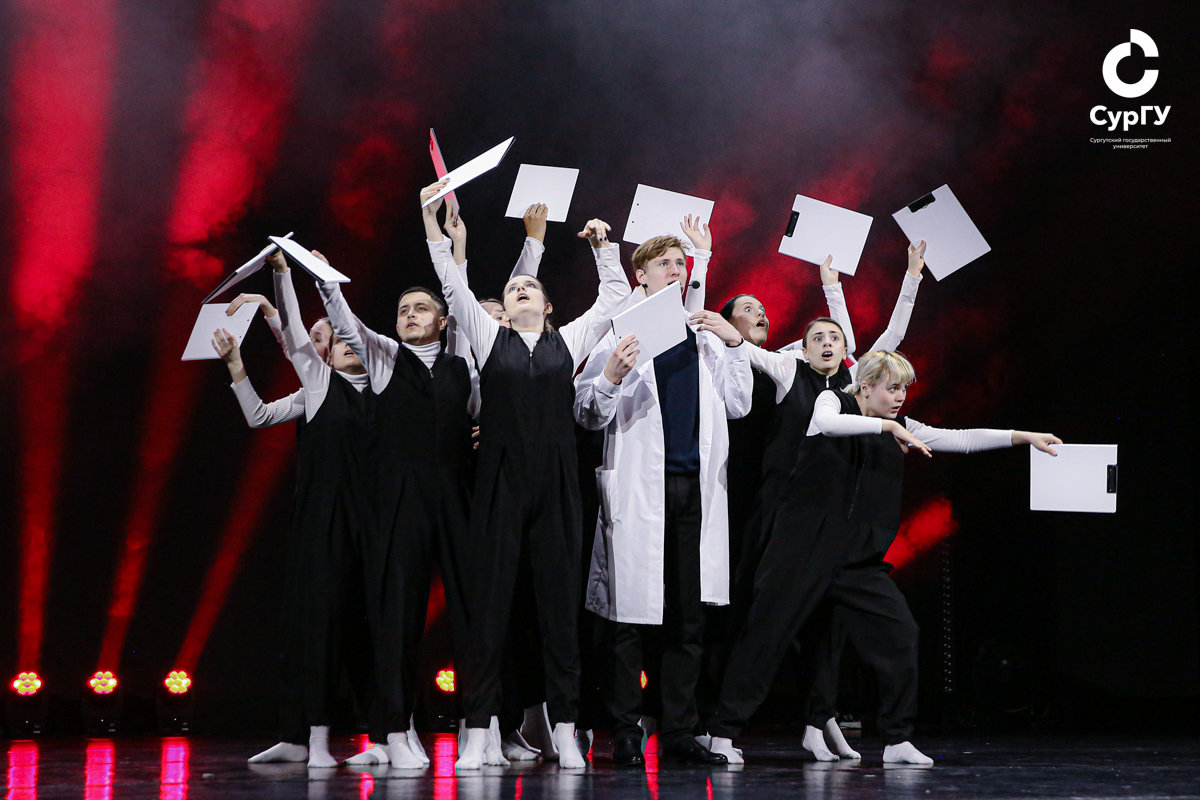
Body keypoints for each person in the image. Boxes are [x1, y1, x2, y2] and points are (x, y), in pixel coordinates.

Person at [707, 350, 1061, 766]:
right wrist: (886, 426)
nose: (900, 398)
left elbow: (962, 439)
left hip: (857, 562)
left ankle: (897, 740)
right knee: (765, 639)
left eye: (903, 390)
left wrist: (1023, 437)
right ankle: (723, 734)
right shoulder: (833, 401)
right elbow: (828, 424)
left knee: (900, 633)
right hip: (801, 554)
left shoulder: (902, 426)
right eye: (892, 389)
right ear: (866, 386)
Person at [419, 179, 632, 770]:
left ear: (547, 305)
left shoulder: (570, 341)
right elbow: (452, 284)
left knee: (559, 609)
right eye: (514, 288)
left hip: (557, 487)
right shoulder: (489, 337)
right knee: (489, 608)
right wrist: (432, 223)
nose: (519, 289)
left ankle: (565, 728)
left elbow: (614, 297)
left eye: (529, 286)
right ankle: (479, 730)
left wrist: (602, 247)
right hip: (500, 484)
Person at [574, 224, 753, 767]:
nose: (676, 271)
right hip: (639, 494)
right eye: (664, 264)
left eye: (682, 264)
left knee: (688, 618)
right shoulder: (619, 334)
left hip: (696, 493)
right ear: (642, 276)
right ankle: (626, 730)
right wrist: (610, 376)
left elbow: (739, 405)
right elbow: (586, 412)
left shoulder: (705, 335)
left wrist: (735, 343)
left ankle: (679, 731)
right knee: (628, 617)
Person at [218, 253, 374, 768]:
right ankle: (303, 737)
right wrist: (281, 278)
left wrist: (278, 292)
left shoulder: (385, 391)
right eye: (331, 339)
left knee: (366, 629)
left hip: (369, 524)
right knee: (310, 626)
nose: (339, 343)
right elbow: (265, 407)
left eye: (345, 337)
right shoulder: (319, 387)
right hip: (321, 522)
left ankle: (385, 736)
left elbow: (297, 342)